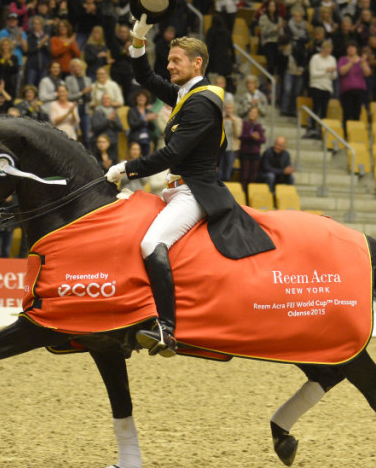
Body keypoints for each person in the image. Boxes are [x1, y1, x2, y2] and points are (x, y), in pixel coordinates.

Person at [104, 22, 274, 357]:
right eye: (168, 60)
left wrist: (126, 169)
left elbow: (173, 154)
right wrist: (139, 39)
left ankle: (166, 328)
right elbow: (146, 78)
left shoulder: (202, 102)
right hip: (174, 189)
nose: (168, 66)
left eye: (175, 61)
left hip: (193, 191)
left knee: (153, 242)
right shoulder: (187, 94)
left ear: (197, 64)